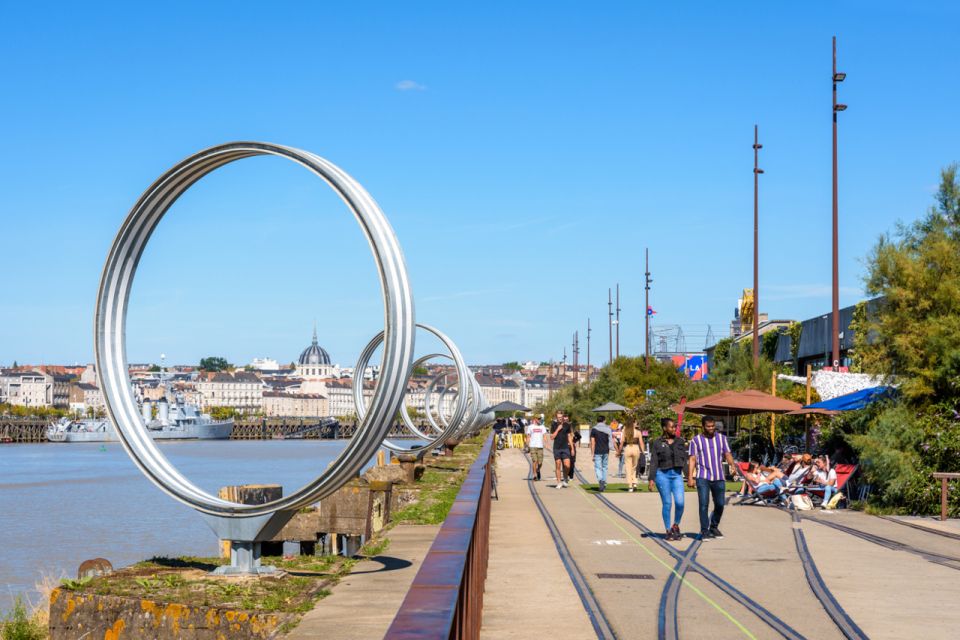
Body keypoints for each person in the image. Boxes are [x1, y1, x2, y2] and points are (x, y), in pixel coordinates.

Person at [687, 416, 738, 540]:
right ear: (703, 426)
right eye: (708, 426)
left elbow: (727, 453)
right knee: (704, 504)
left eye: (712, 426)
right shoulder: (696, 440)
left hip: (718, 476)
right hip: (703, 477)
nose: (711, 428)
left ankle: (714, 527)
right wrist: (690, 477)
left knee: (720, 504)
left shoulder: (722, 439)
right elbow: (692, 459)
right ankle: (704, 530)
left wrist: (732, 465)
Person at [648, 417, 688, 541]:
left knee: (680, 502)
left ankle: (675, 525)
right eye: (671, 427)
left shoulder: (680, 441)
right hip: (662, 475)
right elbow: (654, 461)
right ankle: (668, 530)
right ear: (664, 428)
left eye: (675, 427)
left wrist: (690, 477)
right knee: (667, 503)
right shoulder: (657, 443)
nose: (674, 429)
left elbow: (684, 460)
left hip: (676, 475)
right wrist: (651, 479)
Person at [590, 415, 613, 492]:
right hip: (606, 451)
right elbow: (610, 441)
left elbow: (592, 442)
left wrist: (592, 453)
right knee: (605, 467)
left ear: (597, 421)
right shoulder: (608, 429)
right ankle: (604, 481)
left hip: (597, 451)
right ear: (604, 421)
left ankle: (600, 480)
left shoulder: (594, 429)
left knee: (597, 467)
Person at [620, 419, 645, 492]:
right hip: (636, 448)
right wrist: (643, 452)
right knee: (634, 467)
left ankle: (630, 485)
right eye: (636, 422)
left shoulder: (625, 431)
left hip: (628, 448)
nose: (636, 424)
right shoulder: (638, 432)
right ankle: (634, 482)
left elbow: (622, 442)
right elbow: (641, 443)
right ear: (633, 423)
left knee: (628, 468)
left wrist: (619, 451)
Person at [551, 413, 573, 488]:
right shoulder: (553, 425)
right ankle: (559, 482)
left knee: (567, 465)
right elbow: (552, 437)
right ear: (556, 418)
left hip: (565, 447)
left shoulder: (567, 425)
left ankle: (565, 477)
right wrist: (558, 429)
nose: (560, 418)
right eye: (558, 417)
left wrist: (572, 448)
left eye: (561, 417)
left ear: (563, 417)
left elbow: (569, 437)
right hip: (557, 448)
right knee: (558, 464)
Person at [567, 416, 582, 481]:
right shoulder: (564, 432)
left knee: (572, 462)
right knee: (566, 462)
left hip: (572, 448)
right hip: (565, 448)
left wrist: (574, 441)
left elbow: (579, 437)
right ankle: (567, 475)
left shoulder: (574, 433)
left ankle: (571, 476)